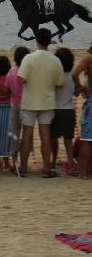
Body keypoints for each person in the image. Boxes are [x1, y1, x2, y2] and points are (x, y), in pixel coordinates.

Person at [17, 28, 63, 177]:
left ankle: (23, 167)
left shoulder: (29, 58)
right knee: (45, 135)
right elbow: (59, 83)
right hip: (47, 101)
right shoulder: (55, 60)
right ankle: (46, 168)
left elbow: (21, 79)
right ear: (49, 41)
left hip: (30, 101)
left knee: (26, 136)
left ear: (36, 40)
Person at [52, 47, 76, 175]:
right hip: (69, 110)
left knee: (53, 139)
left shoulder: (55, 75)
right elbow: (75, 92)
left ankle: (53, 161)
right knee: (68, 140)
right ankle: (71, 166)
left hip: (55, 109)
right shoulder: (73, 75)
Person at [71, 46, 92, 179]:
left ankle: (83, 173)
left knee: (87, 139)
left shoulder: (89, 60)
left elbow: (74, 73)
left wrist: (79, 87)